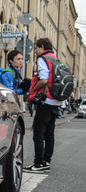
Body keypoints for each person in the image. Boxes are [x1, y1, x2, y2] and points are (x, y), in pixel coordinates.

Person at [24, 38, 61, 173]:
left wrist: (33, 90)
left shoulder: (43, 59)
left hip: (45, 100)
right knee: (49, 134)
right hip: (56, 101)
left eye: (36, 48)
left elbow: (44, 79)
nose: (35, 51)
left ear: (42, 47)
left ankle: (38, 163)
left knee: (38, 133)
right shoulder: (54, 58)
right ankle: (46, 161)